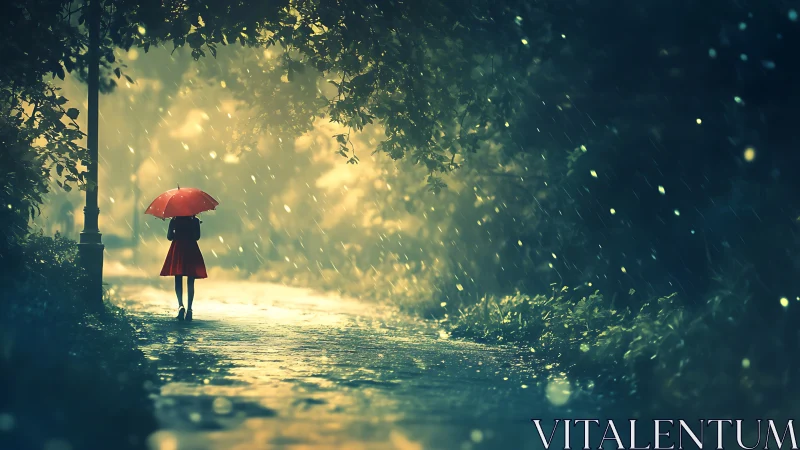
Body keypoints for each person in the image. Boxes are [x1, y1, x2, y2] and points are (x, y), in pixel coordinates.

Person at [160, 215, 207, 321]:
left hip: (178, 249)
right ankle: (189, 309)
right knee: (191, 280)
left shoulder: (174, 220)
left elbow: (169, 237)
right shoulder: (195, 220)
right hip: (191, 249)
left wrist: (176, 231)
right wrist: (194, 226)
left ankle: (181, 306)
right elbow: (197, 237)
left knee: (178, 278)